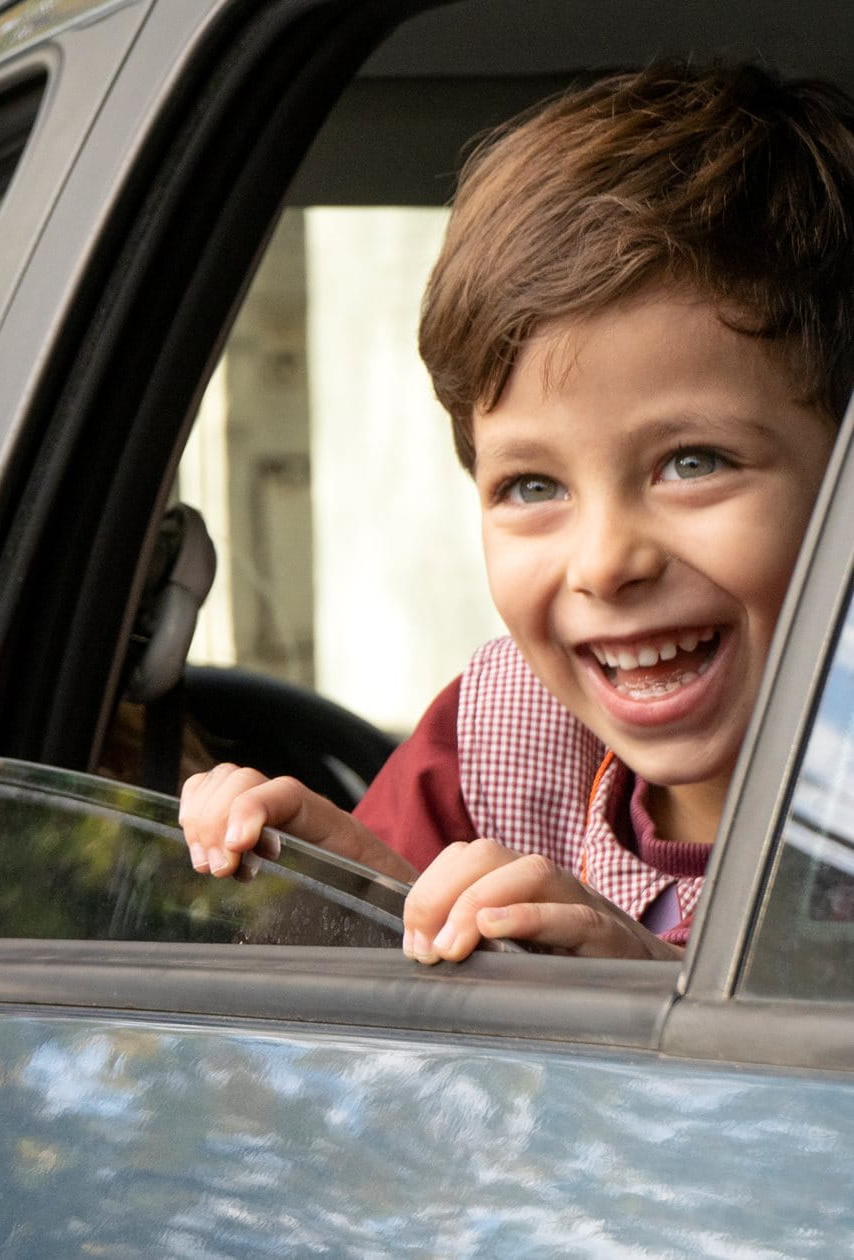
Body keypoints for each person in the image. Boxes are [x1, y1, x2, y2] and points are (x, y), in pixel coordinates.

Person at [179, 62, 854, 964]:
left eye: (692, 464)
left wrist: (648, 988)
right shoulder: (502, 738)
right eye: (534, 487)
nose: (606, 562)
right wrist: (362, 906)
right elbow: (367, 1045)